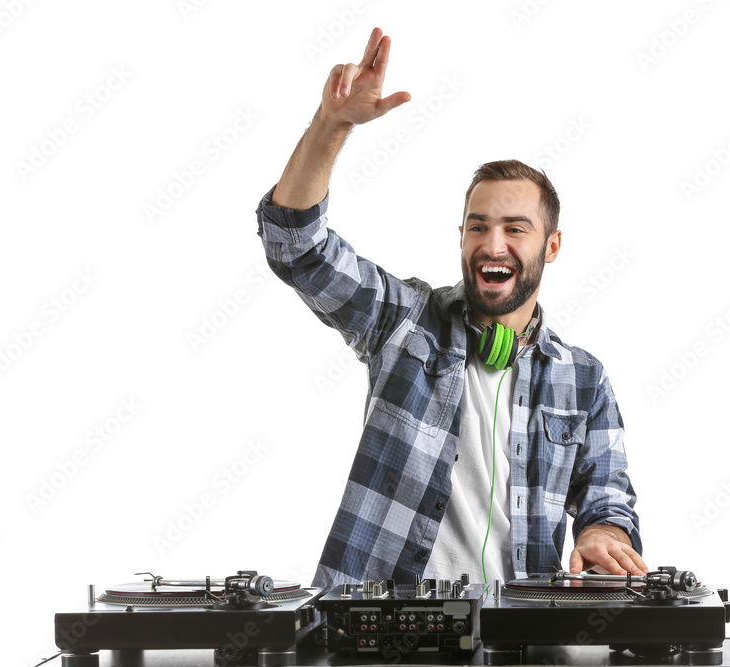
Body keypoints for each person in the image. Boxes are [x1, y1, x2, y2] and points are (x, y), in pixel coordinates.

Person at [256, 27, 645, 590]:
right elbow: (297, 246)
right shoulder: (402, 321)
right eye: (478, 227)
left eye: (516, 229)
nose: (493, 245)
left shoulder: (584, 380)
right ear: (461, 237)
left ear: (551, 247)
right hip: (383, 637)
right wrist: (332, 124)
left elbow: (608, 498)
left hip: (520, 641)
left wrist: (602, 534)